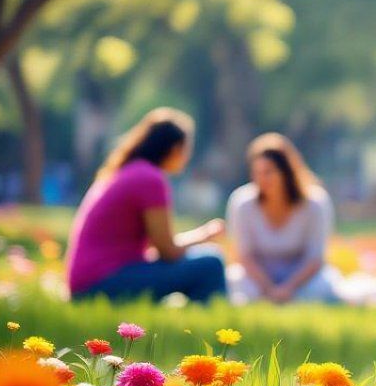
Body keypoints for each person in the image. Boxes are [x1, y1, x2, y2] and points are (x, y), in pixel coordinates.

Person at [66, 108, 226, 302]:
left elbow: (157, 247)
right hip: (101, 282)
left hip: (88, 282)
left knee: (198, 263)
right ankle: (208, 328)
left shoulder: (128, 171)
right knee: (211, 263)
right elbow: (167, 251)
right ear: (175, 149)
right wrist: (205, 234)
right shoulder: (150, 178)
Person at [225, 133, 346, 304]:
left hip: (300, 278)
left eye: (268, 172)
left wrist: (288, 288)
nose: (261, 179)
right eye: (257, 172)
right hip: (257, 277)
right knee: (234, 285)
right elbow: (244, 256)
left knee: (322, 289)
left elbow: (315, 258)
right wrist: (269, 289)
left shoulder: (315, 203)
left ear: (286, 173)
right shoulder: (242, 202)